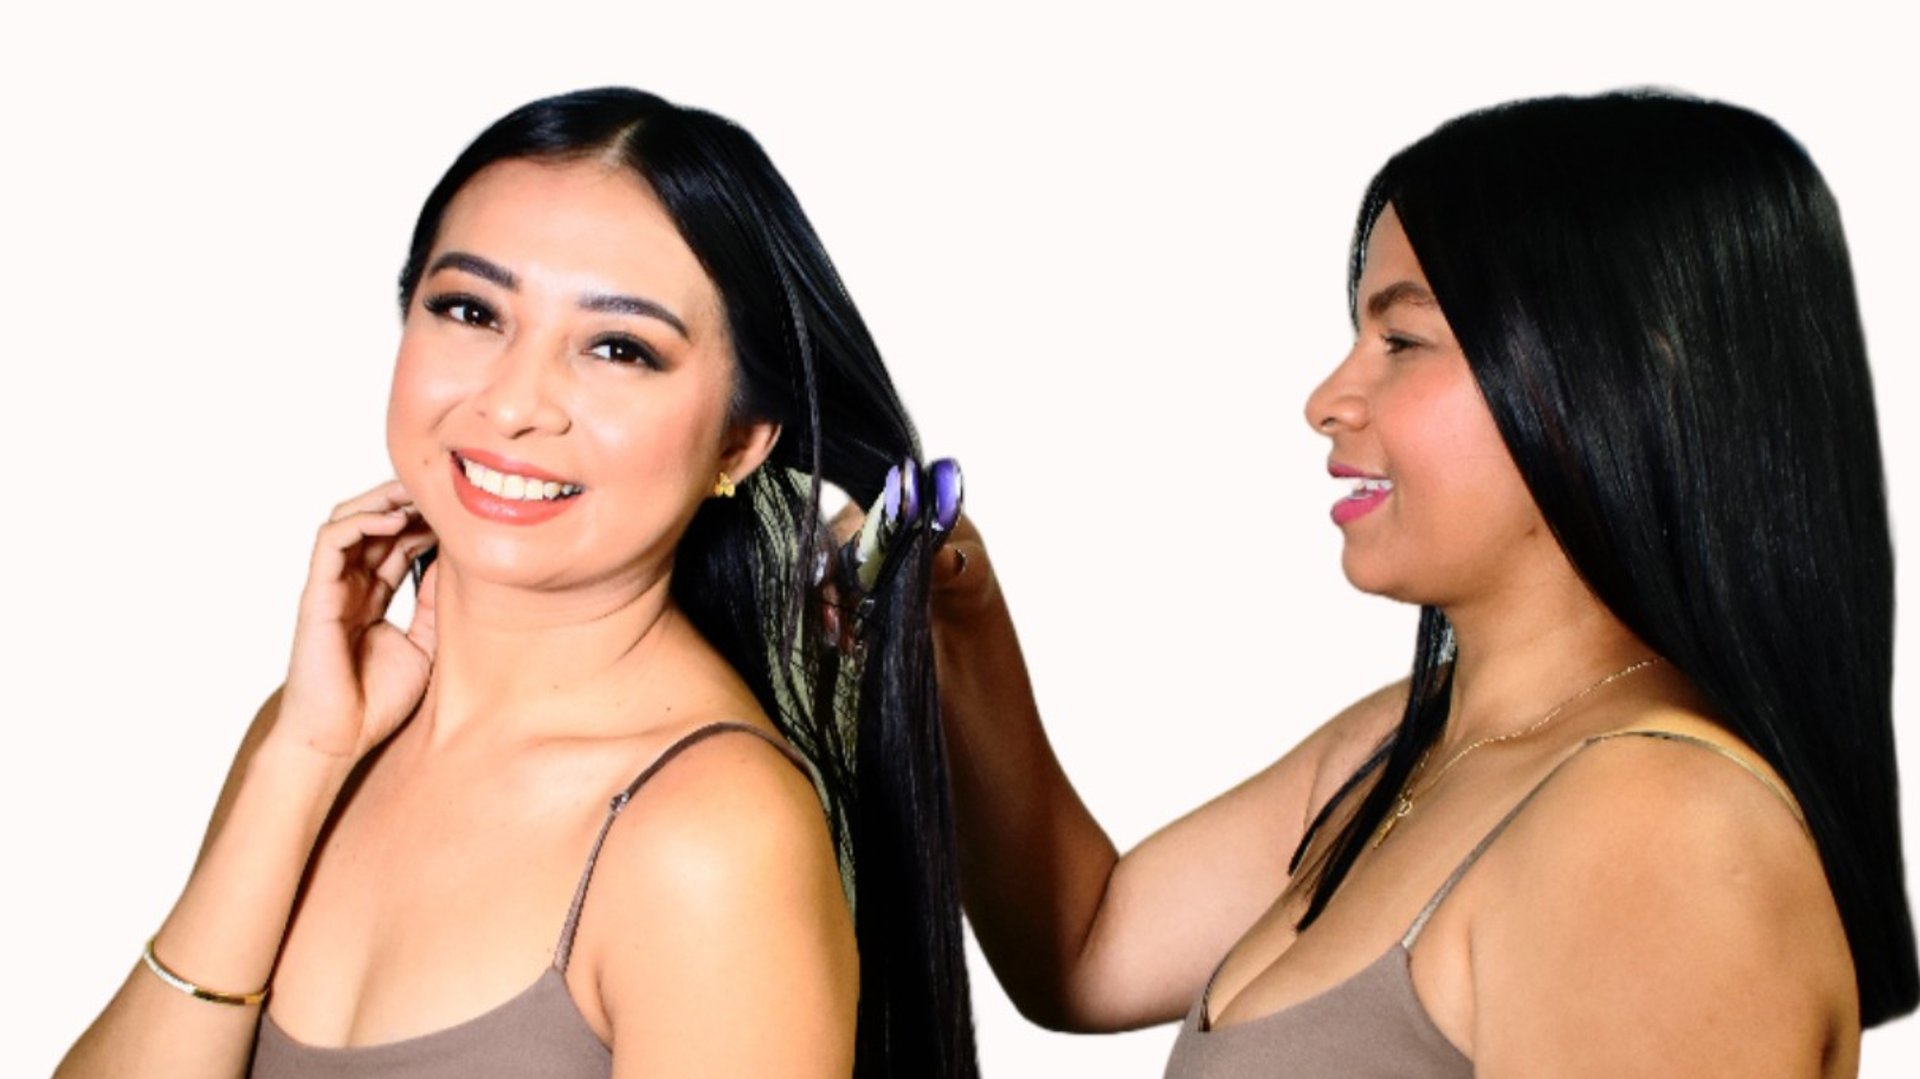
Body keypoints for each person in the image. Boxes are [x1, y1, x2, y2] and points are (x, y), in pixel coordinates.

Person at [927, 90, 1917, 1075]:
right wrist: (957, 621)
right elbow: (1087, 946)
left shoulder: (1657, 828)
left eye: (1403, 340)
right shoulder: (1399, 745)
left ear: (1620, 373)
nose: (1327, 401)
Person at [55, 87, 976, 1079]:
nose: (513, 401)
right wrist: (302, 758)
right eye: (470, 309)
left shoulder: (709, 839)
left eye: (620, 348)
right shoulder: (316, 733)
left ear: (741, 441)